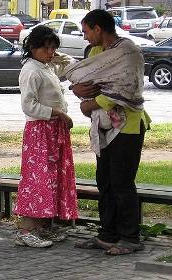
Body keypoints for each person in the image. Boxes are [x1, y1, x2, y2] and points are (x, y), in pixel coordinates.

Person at [70, 9, 151, 255]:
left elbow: (129, 90)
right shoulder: (96, 53)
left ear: (98, 29)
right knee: (104, 181)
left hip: (128, 126)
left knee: (122, 182)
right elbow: (86, 82)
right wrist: (78, 91)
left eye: (86, 31)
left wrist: (92, 103)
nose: (84, 37)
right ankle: (107, 234)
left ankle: (130, 237)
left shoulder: (129, 52)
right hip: (102, 126)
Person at [12, 25, 78, 248]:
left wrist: (59, 55)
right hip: (40, 130)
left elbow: (71, 66)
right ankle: (25, 229)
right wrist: (58, 113)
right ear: (33, 47)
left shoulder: (46, 66)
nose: (50, 53)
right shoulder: (31, 70)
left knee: (51, 177)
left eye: (53, 49)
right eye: (47, 48)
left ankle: (41, 227)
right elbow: (29, 105)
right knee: (37, 178)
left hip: (53, 130)